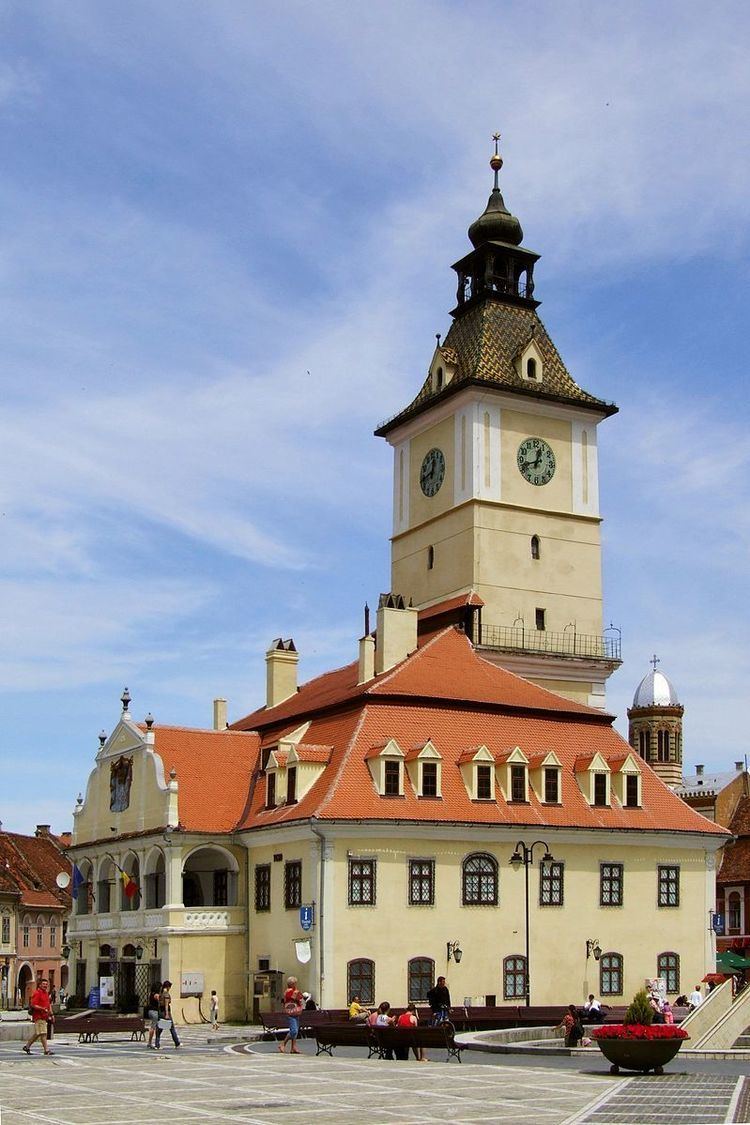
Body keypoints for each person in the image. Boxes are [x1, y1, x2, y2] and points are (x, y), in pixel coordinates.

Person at [22, 978, 54, 1056]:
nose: (45, 986)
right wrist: (42, 1008)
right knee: (43, 1033)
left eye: (46, 984)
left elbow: (48, 1004)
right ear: (40, 985)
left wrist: (52, 1014)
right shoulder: (37, 993)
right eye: (43, 984)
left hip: (44, 1016)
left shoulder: (46, 993)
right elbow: (33, 1004)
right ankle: (46, 1050)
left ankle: (27, 1046)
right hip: (38, 1016)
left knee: (38, 1033)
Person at [278, 975, 303, 1054]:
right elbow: (299, 997)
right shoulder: (289, 991)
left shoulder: (292, 990)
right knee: (294, 1031)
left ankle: (293, 1047)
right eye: (295, 983)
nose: (296, 985)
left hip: (295, 1012)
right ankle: (283, 1044)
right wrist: (298, 994)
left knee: (295, 1030)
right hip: (292, 1012)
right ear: (292, 984)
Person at [156, 980, 181, 1049]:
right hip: (165, 1012)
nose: (170, 988)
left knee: (160, 1028)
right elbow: (166, 1005)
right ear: (168, 987)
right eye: (170, 987)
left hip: (160, 1012)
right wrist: (167, 1014)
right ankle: (177, 1042)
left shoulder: (160, 993)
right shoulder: (166, 994)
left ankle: (157, 1044)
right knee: (171, 1028)